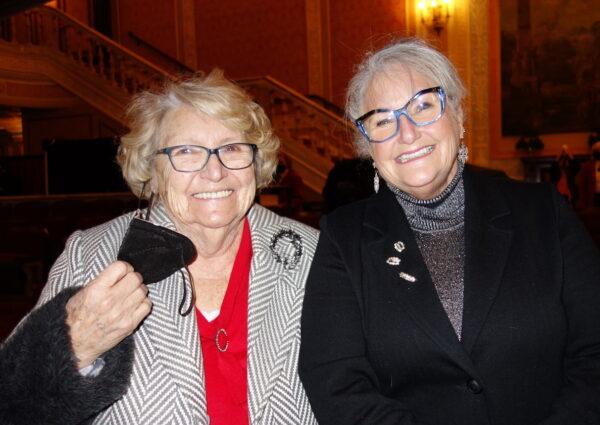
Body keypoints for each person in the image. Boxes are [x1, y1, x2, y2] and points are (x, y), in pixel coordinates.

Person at [298, 38, 600, 425]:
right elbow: (336, 383)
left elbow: (594, 355)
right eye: (383, 120)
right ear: (367, 146)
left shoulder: (544, 213)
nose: (405, 134)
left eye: (423, 106)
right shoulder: (344, 238)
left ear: (457, 117)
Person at [1, 70, 319, 424]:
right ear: (152, 170)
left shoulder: (312, 254)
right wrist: (71, 349)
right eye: (185, 152)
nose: (214, 172)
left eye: (231, 148)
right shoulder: (91, 256)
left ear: (256, 161)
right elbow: (11, 403)